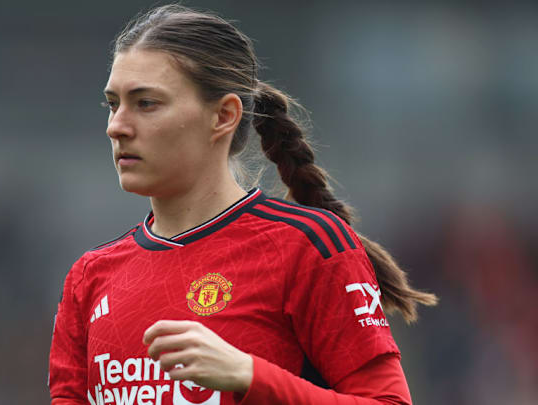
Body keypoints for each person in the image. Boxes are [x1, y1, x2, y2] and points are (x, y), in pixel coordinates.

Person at [48, 4, 437, 405]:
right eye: (113, 104)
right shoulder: (89, 279)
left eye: (146, 103)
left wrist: (250, 376)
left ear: (223, 115)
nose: (117, 126)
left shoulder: (306, 246)